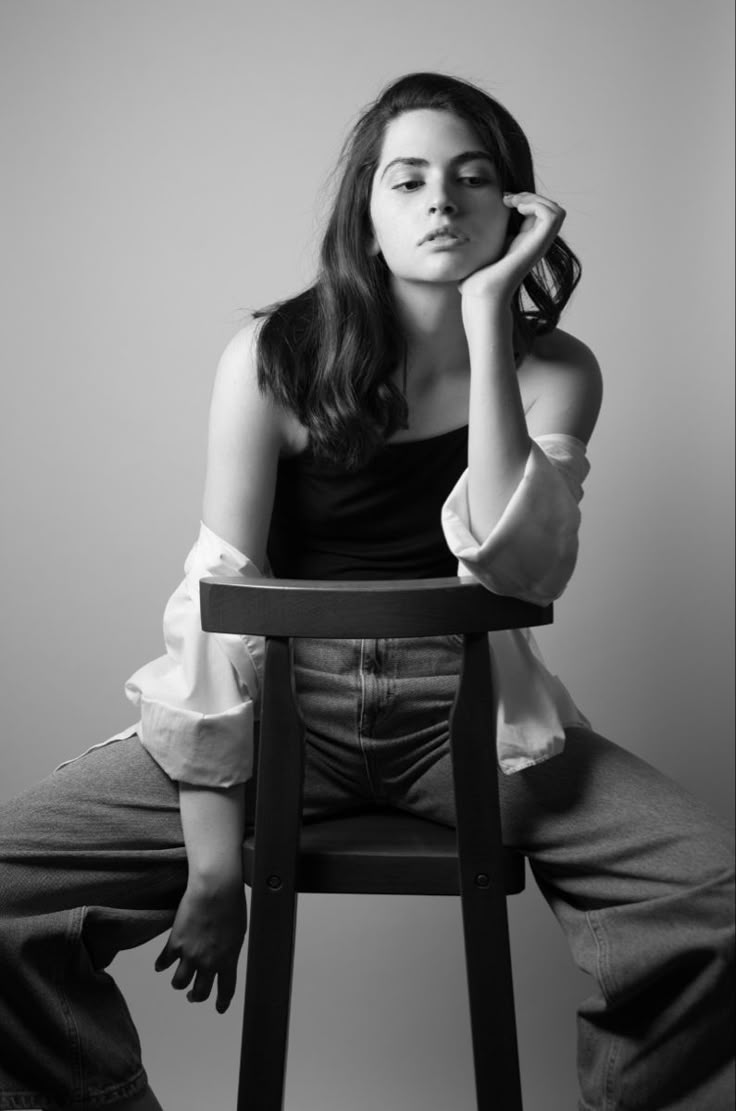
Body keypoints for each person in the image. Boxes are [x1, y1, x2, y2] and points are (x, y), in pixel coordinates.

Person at [0, 72, 732, 1111]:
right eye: (409, 179)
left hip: (470, 720)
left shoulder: (554, 369)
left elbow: (520, 571)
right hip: (275, 710)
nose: (442, 202)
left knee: (718, 901)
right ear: (366, 211)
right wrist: (213, 863)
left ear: (518, 211)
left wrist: (488, 324)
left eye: (473, 179)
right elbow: (219, 599)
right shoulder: (270, 357)